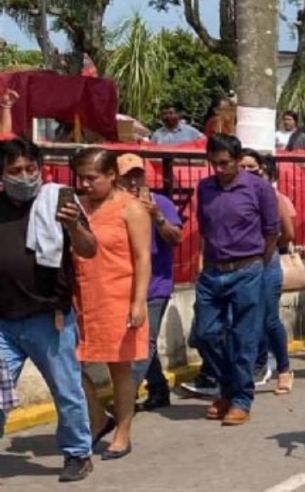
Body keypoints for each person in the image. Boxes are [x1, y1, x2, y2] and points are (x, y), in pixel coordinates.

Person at [0, 138, 98, 481]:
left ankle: (77, 453)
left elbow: (89, 250)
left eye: (31, 169)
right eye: (15, 171)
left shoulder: (59, 201)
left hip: (49, 318)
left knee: (67, 391)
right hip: (4, 322)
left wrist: (73, 226)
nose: (25, 176)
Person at [71, 148, 152, 461]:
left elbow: (143, 257)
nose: (87, 184)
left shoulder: (130, 208)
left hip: (117, 297)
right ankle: (97, 417)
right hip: (82, 296)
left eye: (93, 178)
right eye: (82, 178)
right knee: (68, 364)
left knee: (120, 369)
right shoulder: (79, 207)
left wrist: (138, 301)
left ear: (111, 176)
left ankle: (122, 432)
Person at [194, 134, 279, 426]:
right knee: (205, 334)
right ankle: (227, 388)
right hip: (212, 271)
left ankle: (241, 398)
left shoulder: (259, 188)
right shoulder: (204, 188)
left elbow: (272, 231)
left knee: (245, 338)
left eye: (225, 163)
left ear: (237, 160)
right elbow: (204, 228)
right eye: (214, 163)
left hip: (247, 270)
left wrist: (258, 262)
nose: (219, 169)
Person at [117, 154, 183, 412]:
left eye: (137, 175)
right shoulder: (115, 205)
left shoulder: (162, 203)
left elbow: (176, 237)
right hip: (123, 284)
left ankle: (125, 398)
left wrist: (156, 216)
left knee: (146, 340)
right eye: (127, 177)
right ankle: (157, 387)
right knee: (140, 340)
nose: (133, 182)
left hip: (156, 284)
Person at [238, 149, 295, 394]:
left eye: (252, 166)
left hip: (267, 263)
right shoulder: (230, 194)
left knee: (269, 318)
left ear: (261, 168)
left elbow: (289, 233)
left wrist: (265, 250)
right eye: (243, 166)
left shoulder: (270, 194)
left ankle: (284, 369)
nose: (247, 171)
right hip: (239, 264)